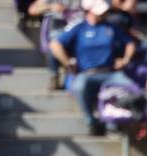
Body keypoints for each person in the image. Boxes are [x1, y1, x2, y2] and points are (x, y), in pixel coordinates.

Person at [50, 0, 136, 135]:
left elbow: (130, 43)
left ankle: (116, 121)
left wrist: (125, 60)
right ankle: (91, 122)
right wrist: (67, 63)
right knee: (79, 86)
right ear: (89, 11)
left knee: (132, 87)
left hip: (110, 73)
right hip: (87, 73)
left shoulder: (111, 27)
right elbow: (55, 44)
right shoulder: (79, 28)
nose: (105, 14)